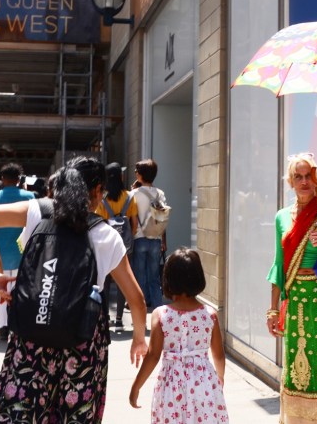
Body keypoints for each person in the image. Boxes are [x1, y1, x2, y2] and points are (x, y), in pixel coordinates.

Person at [0, 156, 148, 423]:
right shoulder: (106, 234)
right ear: (97, 191)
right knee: (75, 415)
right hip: (82, 342)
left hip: (33, 332)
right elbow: (136, 298)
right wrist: (139, 339)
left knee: (21, 411)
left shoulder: (36, 211)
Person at [266, 153, 317, 424]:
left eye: (309, 176)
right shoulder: (282, 217)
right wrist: (272, 309)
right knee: (297, 372)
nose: (304, 182)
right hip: (296, 304)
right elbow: (279, 266)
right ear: (290, 181)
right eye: (298, 177)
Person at [129, 247, 228, 423]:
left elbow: (153, 356)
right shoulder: (210, 315)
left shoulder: (161, 315)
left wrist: (136, 386)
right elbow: (218, 355)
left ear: (168, 280)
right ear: (199, 278)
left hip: (171, 387)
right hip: (204, 384)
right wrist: (219, 378)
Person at [0, 163, 35, 341]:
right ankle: (17, 326)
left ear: (2, 179)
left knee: (1, 291)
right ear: (18, 179)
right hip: (23, 253)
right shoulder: (29, 197)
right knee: (19, 292)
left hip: (0, 254)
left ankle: (4, 327)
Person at [95, 162, 138, 330]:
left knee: (104, 281)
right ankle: (119, 320)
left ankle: (105, 316)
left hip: (105, 245)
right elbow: (134, 223)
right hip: (124, 246)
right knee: (123, 281)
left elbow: (99, 222)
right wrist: (129, 238)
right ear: (121, 177)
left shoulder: (103, 198)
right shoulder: (129, 197)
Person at [132, 159, 167, 310]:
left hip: (139, 238)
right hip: (155, 239)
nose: (135, 173)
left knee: (140, 277)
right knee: (154, 278)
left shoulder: (133, 194)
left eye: (136, 171)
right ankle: (158, 309)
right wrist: (164, 241)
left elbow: (131, 217)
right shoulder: (160, 194)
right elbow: (162, 218)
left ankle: (142, 308)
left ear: (140, 175)